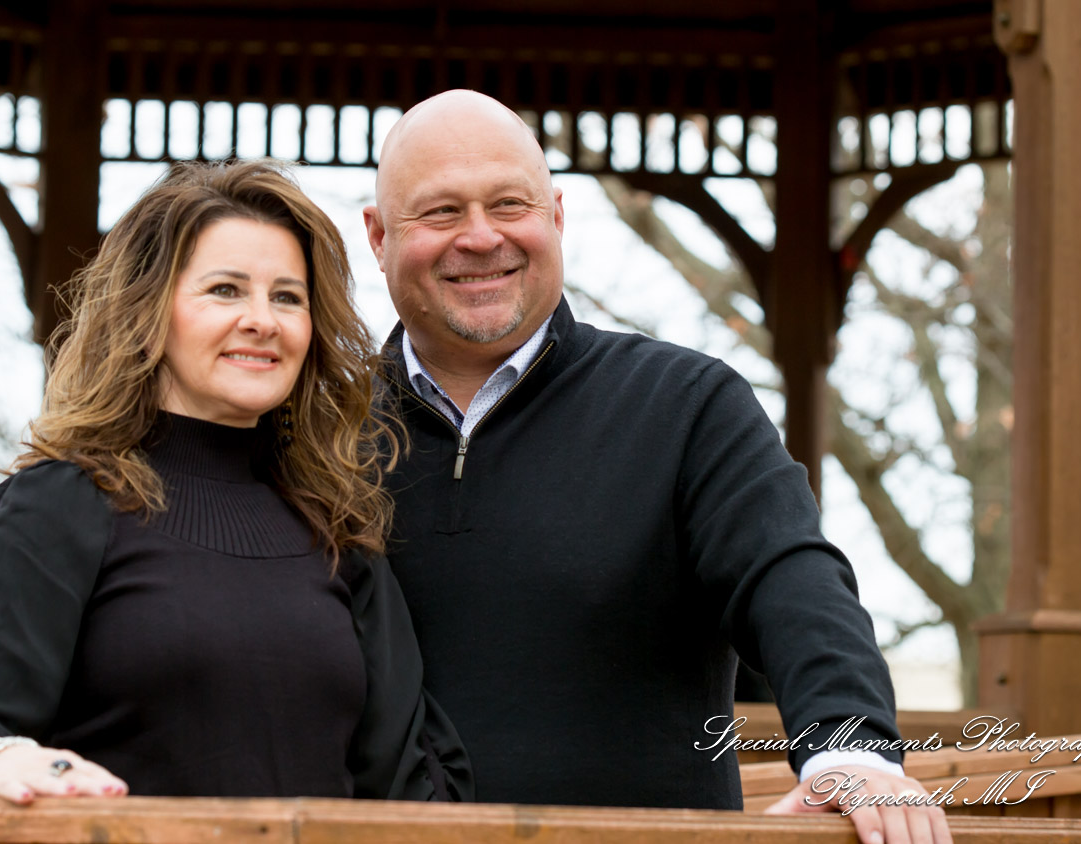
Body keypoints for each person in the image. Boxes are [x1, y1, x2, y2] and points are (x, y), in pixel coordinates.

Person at [362, 90, 951, 844]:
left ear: (558, 218)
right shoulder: (317, 428)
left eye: (509, 204)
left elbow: (789, 577)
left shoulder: (687, 406)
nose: (480, 238)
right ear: (379, 236)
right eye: (440, 212)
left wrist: (850, 746)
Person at [0, 160, 471, 805]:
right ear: (150, 310)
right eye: (225, 290)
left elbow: (405, 786)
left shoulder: (337, 532)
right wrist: (1, 763)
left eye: (287, 296)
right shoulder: (61, 504)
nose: (263, 320)